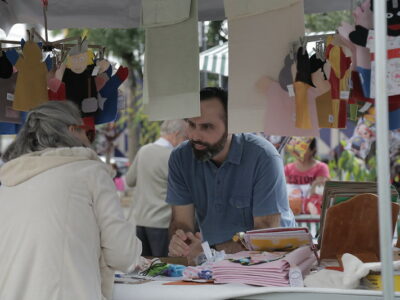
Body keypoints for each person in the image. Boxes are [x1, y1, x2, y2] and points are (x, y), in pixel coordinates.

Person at [0, 101, 142, 300]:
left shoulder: (9, 182)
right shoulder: (90, 172)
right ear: (73, 130)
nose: (90, 139)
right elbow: (123, 254)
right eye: (87, 132)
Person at [167, 87, 295, 263]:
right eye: (191, 124)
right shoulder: (181, 157)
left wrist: (209, 252)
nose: (194, 135)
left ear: (232, 126)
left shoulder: (263, 156)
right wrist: (181, 240)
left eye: (207, 126)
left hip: (272, 265)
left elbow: (265, 236)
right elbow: (181, 222)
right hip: (214, 266)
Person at [126, 119, 187, 257]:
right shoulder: (173, 156)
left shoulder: (143, 151)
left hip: (141, 222)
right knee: (162, 269)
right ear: (176, 134)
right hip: (163, 223)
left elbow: (129, 180)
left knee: (146, 269)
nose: (185, 142)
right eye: (185, 138)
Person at [284, 138, 330, 215]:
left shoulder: (321, 167)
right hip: (292, 213)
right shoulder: (288, 168)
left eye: (302, 148)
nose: (298, 152)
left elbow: (320, 191)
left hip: (312, 214)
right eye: (296, 148)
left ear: (312, 150)